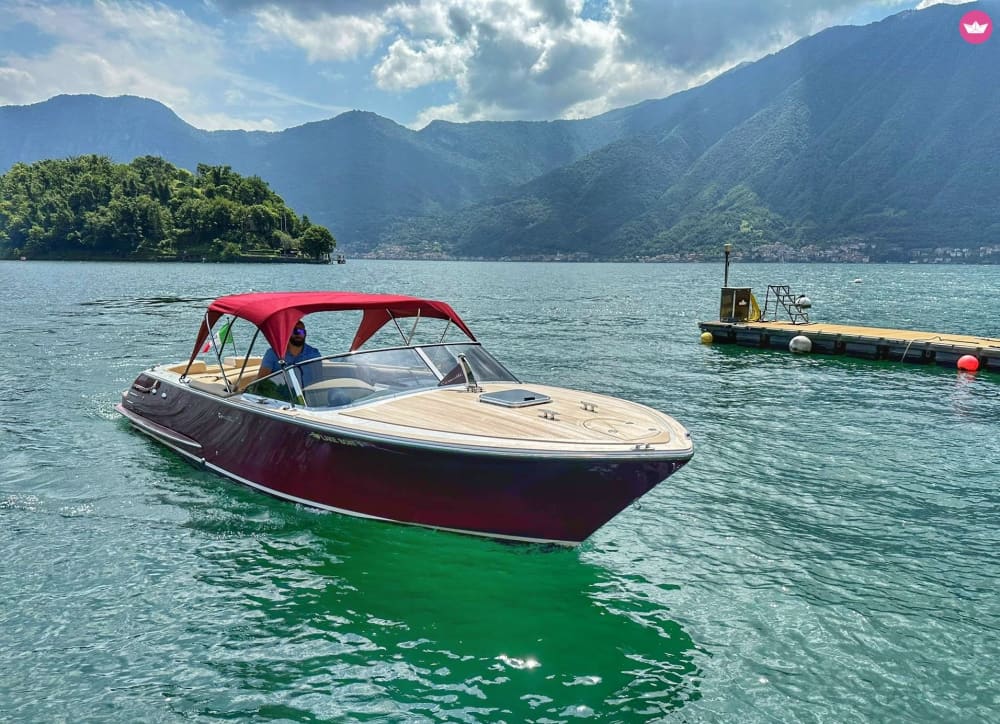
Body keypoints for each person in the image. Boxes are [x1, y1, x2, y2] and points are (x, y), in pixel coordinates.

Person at [256, 319, 322, 387]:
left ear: (305, 333)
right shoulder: (273, 353)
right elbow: (261, 382)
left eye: (300, 331)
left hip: (306, 394)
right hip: (278, 395)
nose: (298, 334)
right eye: (294, 331)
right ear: (287, 333)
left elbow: (319, 380)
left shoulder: (314, 354)